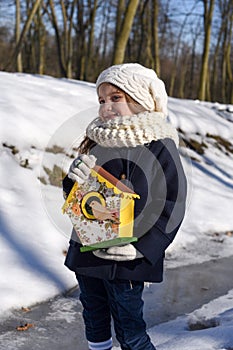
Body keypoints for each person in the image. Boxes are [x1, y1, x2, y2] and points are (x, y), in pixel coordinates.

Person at [63, 63, 187, 350]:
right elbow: (82, 198)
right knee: (94, 321)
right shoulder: (97, 142)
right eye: (102, 100)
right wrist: (72, 180)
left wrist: (141, 247)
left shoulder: (160, 147)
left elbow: (172, 204)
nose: (106, 107)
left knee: (130, 330)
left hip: (126, 262)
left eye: (115, 98)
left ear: (141, 101)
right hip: (89, 252)